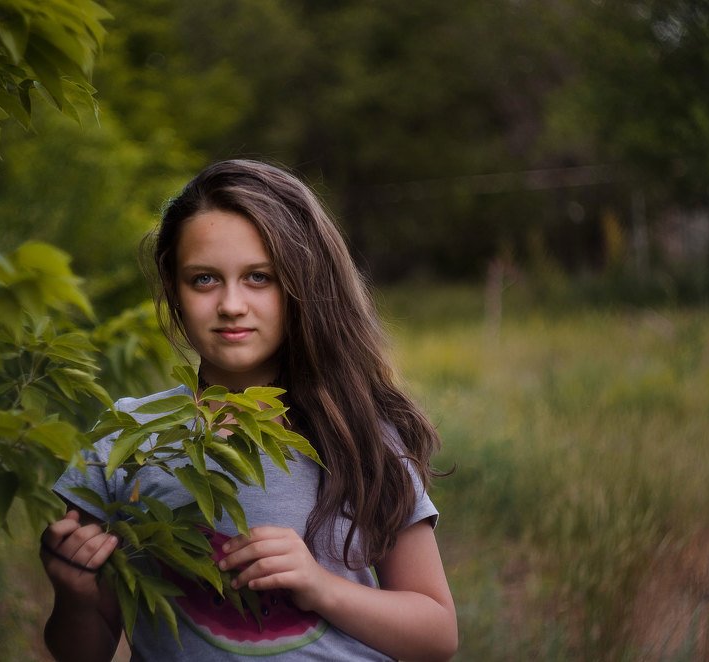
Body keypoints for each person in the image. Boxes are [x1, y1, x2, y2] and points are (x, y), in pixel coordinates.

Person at [40, 160, 458, 661]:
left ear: (304, 287)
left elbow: (437, 637)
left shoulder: (360, 434)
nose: (231, 304)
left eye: (259, 277)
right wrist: (75, 595)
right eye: (204, 280)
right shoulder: (125, 443)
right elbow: (79, 653)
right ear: (174, 290)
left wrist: (318, 586)